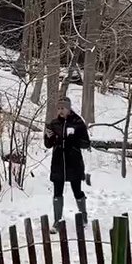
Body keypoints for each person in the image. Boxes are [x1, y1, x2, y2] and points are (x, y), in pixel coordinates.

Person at [44, 96, 91, 225]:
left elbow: (86, 143)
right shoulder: (53, 124)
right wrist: (50, 138)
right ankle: (57, 220)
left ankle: (83, 216)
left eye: (63, 108)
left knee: (77, 190)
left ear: (69, 109)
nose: (60, 111)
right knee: (57, 192)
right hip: (58, 162)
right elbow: (48, 145)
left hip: (74, 162)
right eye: (58, 108)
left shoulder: (77, 122)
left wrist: (73, 139)